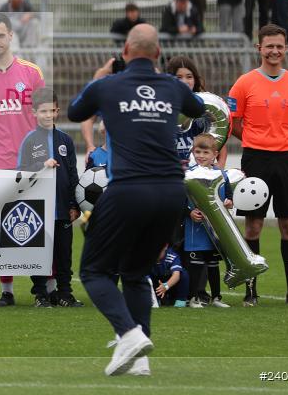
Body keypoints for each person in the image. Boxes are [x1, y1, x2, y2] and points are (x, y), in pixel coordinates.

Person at [68, 24, 204, 376]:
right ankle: (139, 360)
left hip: (129, 189)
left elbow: (74, 112)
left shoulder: (107, 85)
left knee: (94, 271)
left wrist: (99, 74)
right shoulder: (173, 86)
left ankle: (128, 335)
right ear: (158, 55)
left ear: (124, 52)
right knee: (135, 271)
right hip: (172, 193)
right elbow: (197, 107)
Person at [228, 23, 288, 306]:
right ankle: (250, 290)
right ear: (259, 48)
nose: (274, 51)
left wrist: (281, 140)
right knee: (254, 226)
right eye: (269, 46)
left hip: (287, 158)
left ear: (286, 48)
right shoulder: (244, 83)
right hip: (256, 159)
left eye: (279, 46)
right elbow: (234, 122)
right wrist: (254, 139)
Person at [0, 12, 44, 306]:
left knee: (37, 222)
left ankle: (44, 288)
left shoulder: (31, 72)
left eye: (2, 35)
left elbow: (45, 118)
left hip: (31, 161)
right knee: (2, 226)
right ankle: (7, 291)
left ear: (11, 36)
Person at [17, 89, 81, 308]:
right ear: (34, 112)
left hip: (63, 208)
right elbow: (22, 174)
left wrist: (74, 204)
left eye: (51, 111)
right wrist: (41, 166)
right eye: (43, 111)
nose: (48, 115)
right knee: (39, 254)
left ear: (57, 111)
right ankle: (41, 294)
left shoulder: (65, 140)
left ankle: (64, 293)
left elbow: (73, 174)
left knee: (64, 254)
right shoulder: (29, 140)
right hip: (38, 210)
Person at [184, 133, 233, 309]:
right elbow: (181, 201)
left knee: (213, 264)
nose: (201, 156)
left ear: (215, 154)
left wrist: (229, 201)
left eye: (205, 152)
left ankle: (216, 297)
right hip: (194, 229)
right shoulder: (188, 175)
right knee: (196, 264)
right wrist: (189, 213)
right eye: (197, 151)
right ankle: (193, 297)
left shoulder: (221, 175)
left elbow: (228, 195)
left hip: (215, 230)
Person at [166, 56, 227, 167]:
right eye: (179, 77)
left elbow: (218, 140)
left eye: (189, 77)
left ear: (195, 79)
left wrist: (220, 165)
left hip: (199, 174)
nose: (184, 81)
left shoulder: (205, 107)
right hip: (171, 173)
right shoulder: (162, 106)